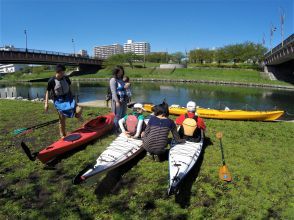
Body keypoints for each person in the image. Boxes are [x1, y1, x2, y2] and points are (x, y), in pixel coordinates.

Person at [44, 64, 82, 138]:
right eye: (62, 72)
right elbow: (47, 91)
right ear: (58, 72)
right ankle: (63, 134)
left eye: (64, 72)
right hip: (59, 100)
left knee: (79, 109)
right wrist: (46, 103)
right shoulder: (51, 81)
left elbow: (69, 88)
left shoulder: (66, 78)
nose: (63, 74)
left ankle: (76, 115)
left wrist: (72, 97)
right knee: (62, 118)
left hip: (68, 97)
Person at [109, 65, 128, 132]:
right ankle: (115, 129)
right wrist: (117, 101)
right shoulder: (113, 80)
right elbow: (113, 92)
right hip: (118, 100)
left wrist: (126, 86)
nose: (121, 73)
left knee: (123, 114)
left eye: (122, 71)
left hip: (124, 99)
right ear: (116, 72)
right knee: (117, 115)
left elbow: (123, 89)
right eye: (119, 72)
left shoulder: (121, 80)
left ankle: (121, 128)